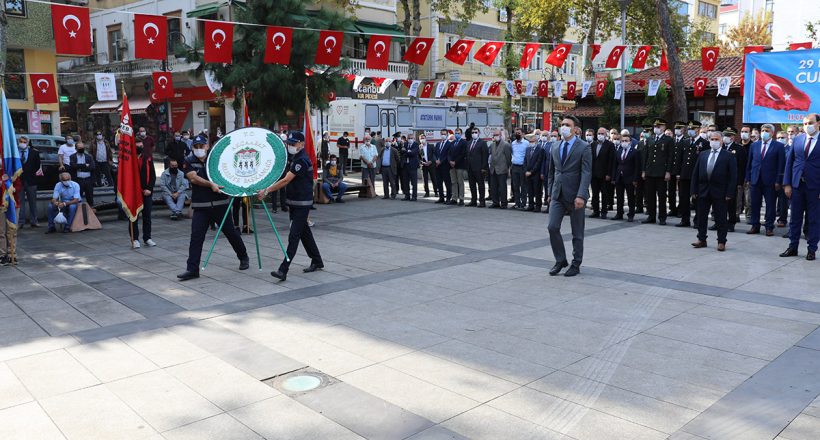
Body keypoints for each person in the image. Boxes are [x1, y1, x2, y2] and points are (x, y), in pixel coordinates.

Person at [177, 135, 249, 280]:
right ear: (192, 147)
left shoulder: (217, 159)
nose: (199, 149)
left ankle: (243, 257)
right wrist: (210, 184)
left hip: (220, 204)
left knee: (231, 233)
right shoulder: (189, 160)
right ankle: (192, 269)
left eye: (201, 146)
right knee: (196, 237)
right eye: (196, 147)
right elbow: (193, 178)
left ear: (207, 146)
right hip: (201, 206)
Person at [258, 131, 323, 281]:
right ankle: (317, 260)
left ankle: (283, 270)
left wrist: (267, 190)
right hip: (295, 202)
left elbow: (286, 180)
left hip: (301, 204)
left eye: (294, 143)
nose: (291, 146)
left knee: (294, 236)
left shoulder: (301, 160)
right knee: (305, 233)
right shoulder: (295, 158)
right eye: (289, 143)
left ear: (302, 144)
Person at [547, 116, 591, 277]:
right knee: (552, 227)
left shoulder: (584, 147)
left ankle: (576, 263)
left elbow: (586, 173)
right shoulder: (555, 145)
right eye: (562, 124)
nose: (564, 127)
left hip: (575, 195)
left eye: (567, 125)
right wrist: (550, 192)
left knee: (577, 232)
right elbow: (551, 171)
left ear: (575, 129)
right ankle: (560, 260)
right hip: (557, 194)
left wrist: (581, 195)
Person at [780, 113, 820, 261]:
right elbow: (789, 163)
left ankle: (812, 249)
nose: (807, 126)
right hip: (797, 186)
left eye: (810, 123)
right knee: (794, 218)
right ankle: (793, 247)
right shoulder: (797, 140)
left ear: (818, 124)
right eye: (805, 124)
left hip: (815, 188)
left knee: (814, 219)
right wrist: (787, 184)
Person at [691, 131, 737, 252]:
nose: (714, 141)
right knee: (701, 216)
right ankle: (701, 239)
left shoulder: (728, 155)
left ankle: (721, 241)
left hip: (720, 192)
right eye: (712, 139)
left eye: (717, 139)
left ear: (721, 141)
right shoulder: (703, 154)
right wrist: (694, 190)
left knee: (721, 218)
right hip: (703, 190)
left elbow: (733, 177)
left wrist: (729, 193)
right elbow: (695, 173)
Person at [745, 123, 785, 236]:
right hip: (755, 179)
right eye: (762, 130)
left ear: (772, 133)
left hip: (771, 181)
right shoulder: (754, 145)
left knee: (770, 205)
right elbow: (749, 163)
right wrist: (748, 178)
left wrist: (778, 181)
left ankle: (769, 227)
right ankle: (755, 225)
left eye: (767, 131)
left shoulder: (779, 146)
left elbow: (781, 165)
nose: (764, 133)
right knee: (754, 204)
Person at [642, 118, 674, 225]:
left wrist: (668, 171)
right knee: (650, 195)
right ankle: (651, 216)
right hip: (650, 171)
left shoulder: (668, 140)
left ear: (664, 127)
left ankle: (662, 217)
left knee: (662, 196)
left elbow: (670, 157)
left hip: (661, 172)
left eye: (658, 126)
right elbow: (646, 156)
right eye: (655, 126)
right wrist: (644, 170)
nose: (656, 128)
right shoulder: (650, 139)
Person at [675, 121, 706, 228]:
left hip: (697, 176)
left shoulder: (704, 143)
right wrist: (678, 173)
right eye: (689, 129)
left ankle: (698, 220)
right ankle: (685, 220)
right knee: (683, 199)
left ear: (698, 129)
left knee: (697, 199)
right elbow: (679, 159)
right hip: (684, 175)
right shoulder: (685, 142)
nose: (690, 131)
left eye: (693, 129)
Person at [130, 139, 157, 248]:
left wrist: (149, 189)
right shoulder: (129, 159)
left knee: (147, 216)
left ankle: (147, 238)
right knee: (134, 217)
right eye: (138, 146)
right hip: (134, 193)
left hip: (146, 192)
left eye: (141, 146)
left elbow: (153, 175)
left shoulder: (148, 158)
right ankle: (135, 239)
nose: (140, 148)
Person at [612, 130, 640, 222]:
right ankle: (619, 213)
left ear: (630, 142)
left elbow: (637, 166)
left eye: (626, 141)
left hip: (630, 177)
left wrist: (635, 179)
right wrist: (614, 177)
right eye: (623, 141)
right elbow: (615, 165)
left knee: (630, 197)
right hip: (619, 177)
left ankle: (631, 214)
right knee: (619, 197)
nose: (624, 142)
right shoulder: (618, 151)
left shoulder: (635, 152)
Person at [590, 127, 615, 219]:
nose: (600, 135)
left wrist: (609, 174)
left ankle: (604, 211)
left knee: (604, 194)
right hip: (594, 174)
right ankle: (595, 211)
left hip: (604, 174)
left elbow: (611, 160)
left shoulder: (610, 145)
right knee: (595, 194)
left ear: (605, 135)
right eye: (599, 133)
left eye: (602, 134)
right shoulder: (593, 144)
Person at [18, 136, 41, 228]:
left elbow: (37, 166)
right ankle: (20, 222)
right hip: (18, 181)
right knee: (20, 202)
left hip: (31, 180)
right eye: (21, 141)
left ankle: (34, 221)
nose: (22, 143)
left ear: (28, 143)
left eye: (24, 142)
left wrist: (30, 173)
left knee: (33, 202)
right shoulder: (15, 152)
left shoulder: (34, 152)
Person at [68, 142, 96, 208]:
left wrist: (80, 168)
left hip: (88, 179)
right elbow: (73, 166)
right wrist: (84, 165)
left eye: (82, 147)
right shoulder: (72, 156)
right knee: (77, 196)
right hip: (78, 180)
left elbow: (92, 167)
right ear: (76, 148)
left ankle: (91, 209)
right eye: (80, 148)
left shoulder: (89, 156)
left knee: (90, 196)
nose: (81, 149)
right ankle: (77, 210)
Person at [488, 129, 511, 209]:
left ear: (500, 135)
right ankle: (495, 202)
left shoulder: (506, 145)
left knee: (502, 187)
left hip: (502, 169)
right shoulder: (492, 145)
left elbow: (508, 158)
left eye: (497, 135)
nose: (495, 136)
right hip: (493, 169)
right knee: (493, 187)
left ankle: (504, 203)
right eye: (494, 135)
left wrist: (507, 168)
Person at [466, 127, 488, 207]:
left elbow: (485, 156)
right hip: (470, 168)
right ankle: (473, 200)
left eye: (475, 132)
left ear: (479, 133)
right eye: (472, 132)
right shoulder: (469, 142)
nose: (474, 134)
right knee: (472, 185)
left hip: (479, 168)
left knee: (481, 185)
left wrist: (484, 167)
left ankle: (482, 201)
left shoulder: (482, 143)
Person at [668, 121, 687, 217]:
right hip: (672, 169)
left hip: (680, 170)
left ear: (683, 129)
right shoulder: (671, 140)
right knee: (671, 191)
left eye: (679, 128)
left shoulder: (685, 141)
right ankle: (672, 209)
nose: (677, 130)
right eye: (676, 128)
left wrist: (680, 172)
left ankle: (681, 209)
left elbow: (684, 158)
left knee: (681, 192)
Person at [524, 132, 545, 212]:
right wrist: (526, 170)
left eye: (532, 141)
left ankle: (538, 206)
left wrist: (532, 172)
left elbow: (539, 162)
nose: (530, 143)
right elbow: (525, 160)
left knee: (537, 191)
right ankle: (530, 205)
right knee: (529, 190)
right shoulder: (528, 149)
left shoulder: (540, 149)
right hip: (528, 173)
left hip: (536, 174)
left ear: (536, 141)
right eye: (529, 141)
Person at [448, 128, 468, 206]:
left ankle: (461, 199)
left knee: (460, 182)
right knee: (453, 182)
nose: (457, 134)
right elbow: (449, 153)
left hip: (460, 165)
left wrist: (455, 162)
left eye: (458, 133)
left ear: (461, 134)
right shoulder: (452, 143)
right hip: (451, 166)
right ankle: (454, 198)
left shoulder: (464, 142)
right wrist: (450, 161)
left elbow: (463, 154)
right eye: (456, 133)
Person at [635, 126, 651, 214]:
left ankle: (649, 208)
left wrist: (645, 170)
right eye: (644, 132)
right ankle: (639, 207)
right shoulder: (640, 143)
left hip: (648, 170)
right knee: (638, 190)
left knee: (648, 191)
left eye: (647, 132)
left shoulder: (652, 143)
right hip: (639, 169)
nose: (645, 134)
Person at [510, 128, 529, 209]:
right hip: (514, 166)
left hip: (522, 167)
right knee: (515, 186)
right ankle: (517, 203)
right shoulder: (513, 143)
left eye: (519, 133)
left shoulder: (526, 143)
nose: (517, 134)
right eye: (516, 133)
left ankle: (523, 203)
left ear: (523, 134)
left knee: (523, 186)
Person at [434, 129, 453, 204]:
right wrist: (436, 160)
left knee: (447, 183)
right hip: (437, 166)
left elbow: (448, 155)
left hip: (445, 166)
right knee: (439, 183)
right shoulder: (438, 144)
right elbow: (434, 153)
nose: (443, 135)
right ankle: (441, 197)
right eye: (442, 134)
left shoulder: (449, 144)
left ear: (447, 135)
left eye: (444, 134)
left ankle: (448, 198)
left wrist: (440, 161)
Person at [400, 134, 420, 201]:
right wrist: (408, 151)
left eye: (411, 138)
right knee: (405, 182)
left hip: (413, 166)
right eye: (409, 138)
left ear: (413, 139)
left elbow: (413, 153)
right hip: (405, 165)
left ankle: (414, 196)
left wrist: (406, 151)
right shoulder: (405, 144)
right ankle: (407, 195)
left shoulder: (416, 144)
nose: (410, 139)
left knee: (414, 182)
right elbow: (402, 152)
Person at [378, 135, 399, 199]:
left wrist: (395, 167)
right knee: (385, 183)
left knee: (392, 182)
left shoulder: (394, 150)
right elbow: (380, 158)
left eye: (389, 141)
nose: (388, 142)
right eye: (387, 141)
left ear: (391, 142)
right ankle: (386, 195)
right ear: (385, 142)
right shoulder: (382, 150)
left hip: (391, 168)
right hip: (383, 168)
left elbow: (397, 159)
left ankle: (393, 195)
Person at [419, 134, 437, 198]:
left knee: (434, 178)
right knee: (425, 180)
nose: (422, 139)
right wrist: (422, 162)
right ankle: (427, 192)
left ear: (426, 138)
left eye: (423, 138)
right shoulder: (419, 147)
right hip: (424, 165)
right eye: (421, 138)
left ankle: (436, 192)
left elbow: (434, 155)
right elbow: (418, 157)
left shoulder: (431, 146)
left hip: (431, 165)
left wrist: (431, 161)